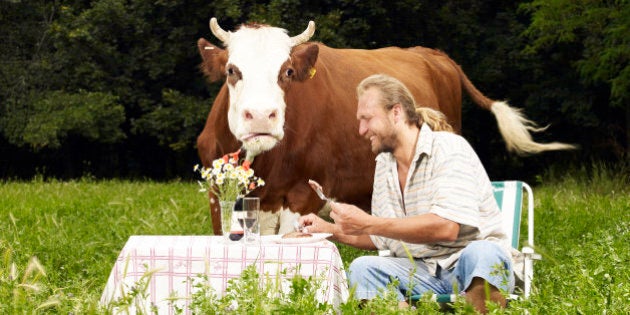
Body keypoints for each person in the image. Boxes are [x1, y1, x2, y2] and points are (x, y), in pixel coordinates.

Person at [299, 74, 515, 313]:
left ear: (396, 113)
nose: (361, 130)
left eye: (367, 119)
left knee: (483, 252)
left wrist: (368, 222)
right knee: (363, 268)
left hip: (468, 266)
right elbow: (382, 237)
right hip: (420, 271)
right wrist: (329, 229)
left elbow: (447, 228)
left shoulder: (448, 148)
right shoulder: (384, 164)